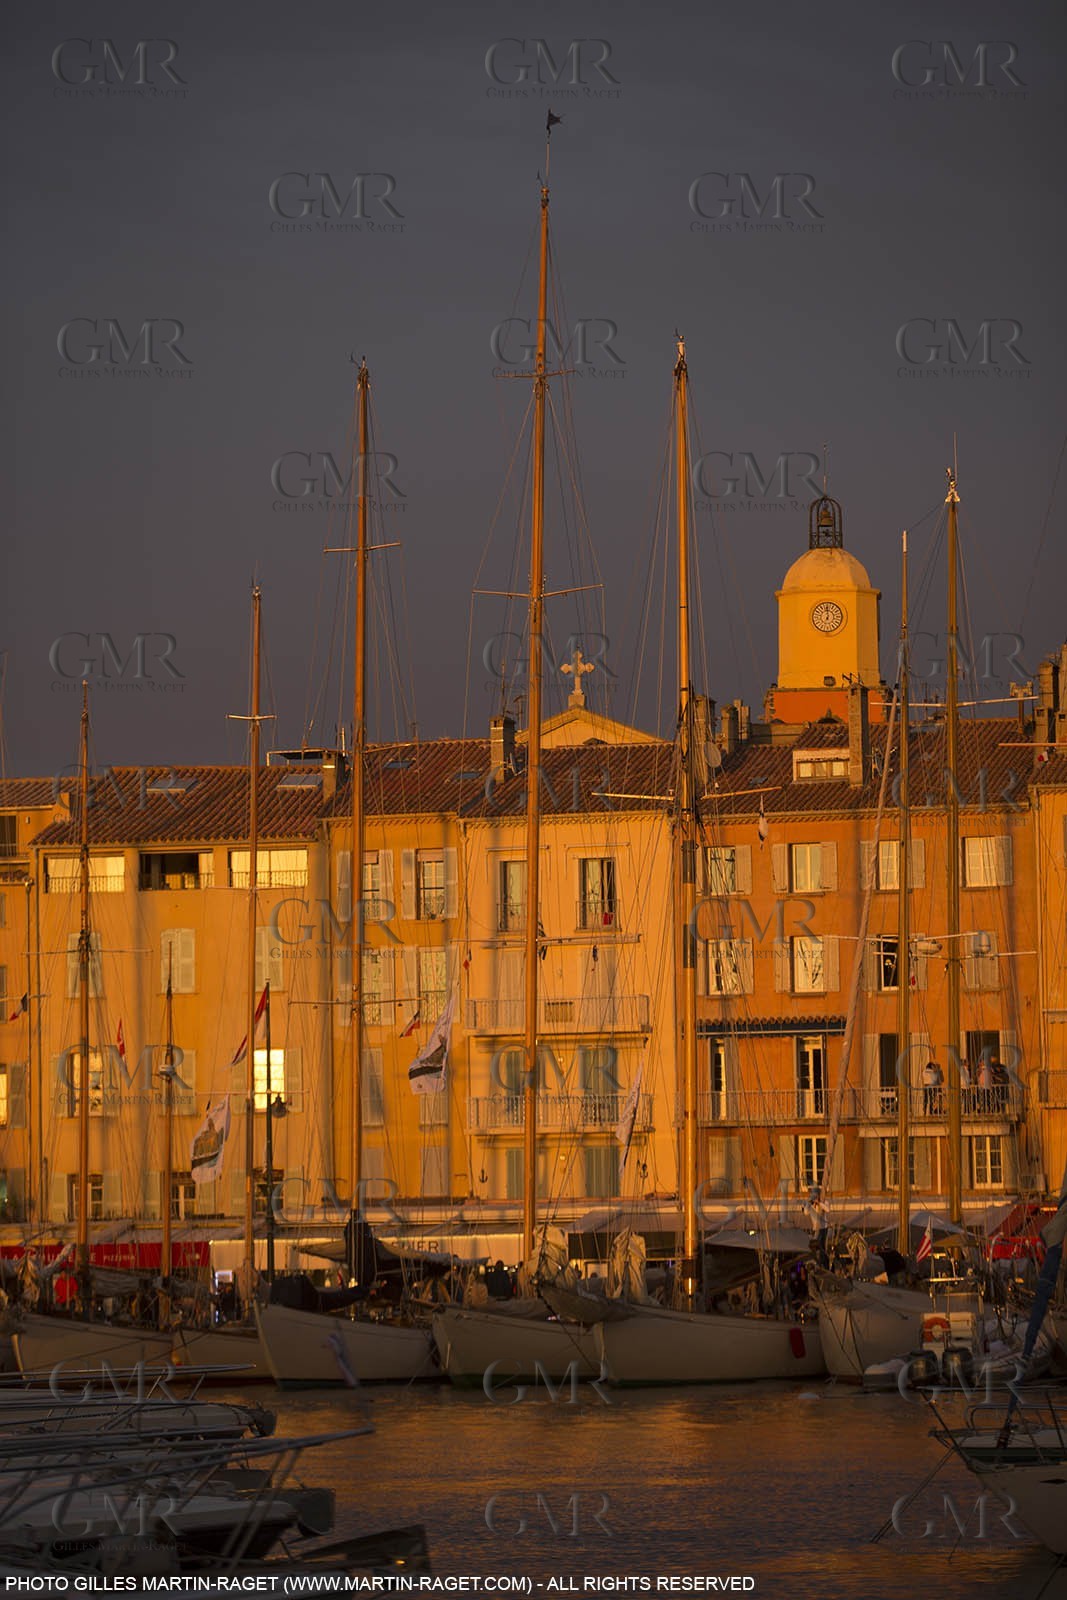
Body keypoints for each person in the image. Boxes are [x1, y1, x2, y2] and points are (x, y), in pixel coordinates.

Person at [806, 1187, 829, 1265]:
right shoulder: (811, 1206)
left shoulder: (824, 1202)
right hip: (815, 1229)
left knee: (822, 1248)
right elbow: (805, 1212)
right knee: (816, 1247)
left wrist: (819, 1203)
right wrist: (808, 1203)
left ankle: (825, 1263)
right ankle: (818, 1263)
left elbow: (827, 1210)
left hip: (823, 1229)